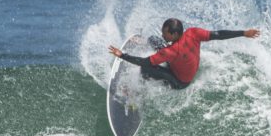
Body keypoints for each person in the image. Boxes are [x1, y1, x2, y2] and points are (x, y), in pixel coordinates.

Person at [108, 18, 260, 89]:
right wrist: (243, 33)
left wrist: (122, 55)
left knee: (145, 69)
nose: (163, 35)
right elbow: (218, 34)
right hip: (181, 64)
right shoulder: (193, 32)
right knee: (154, 40)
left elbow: (145, 62)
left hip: (180, 81)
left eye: (166, 34)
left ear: (174, 34)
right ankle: (142, 43)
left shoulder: (171, 51)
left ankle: (136, 91)